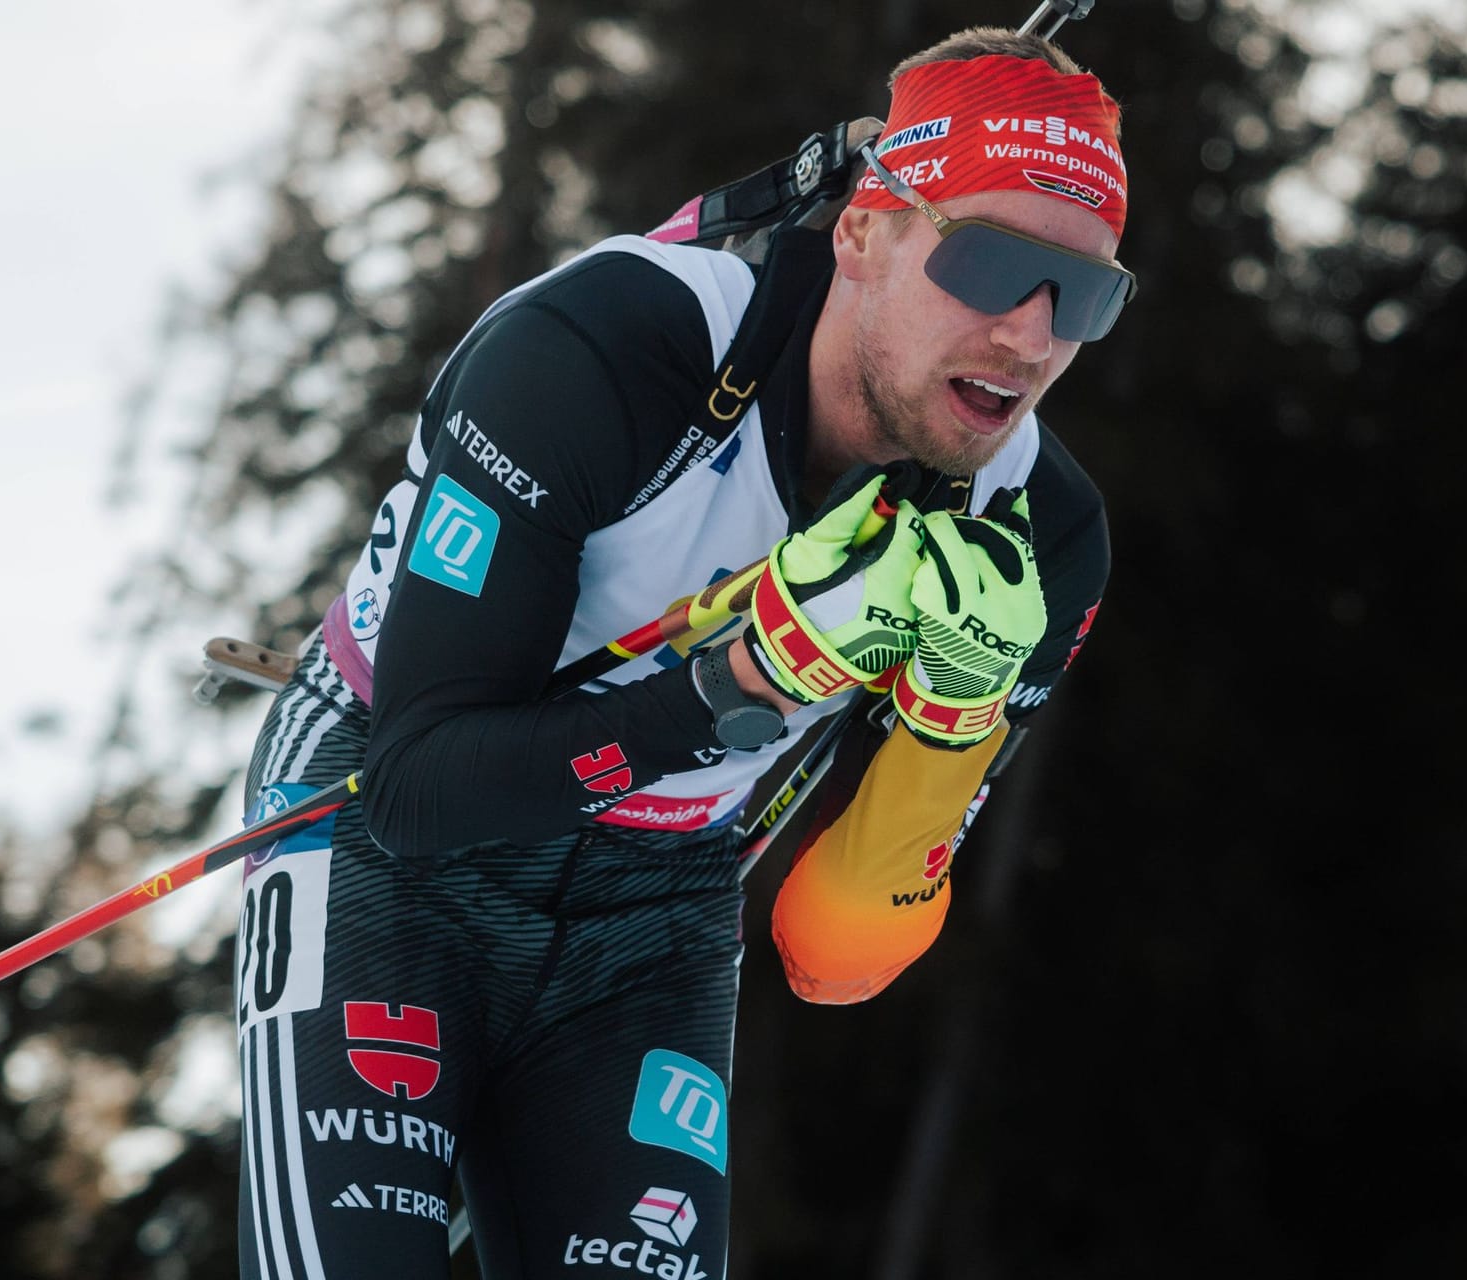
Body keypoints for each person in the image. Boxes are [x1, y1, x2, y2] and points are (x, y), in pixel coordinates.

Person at [231, 25, 1128, 1280]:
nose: (1031, 338)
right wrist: (748, 682)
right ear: (862, 232)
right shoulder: (610, 349)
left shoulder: (1040, 536)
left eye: (1083, 293)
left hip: (654, 908)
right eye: (988, 263)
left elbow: (834, 955)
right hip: (387, 841)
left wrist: (950, 724)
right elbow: (427, 786)